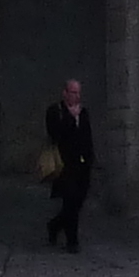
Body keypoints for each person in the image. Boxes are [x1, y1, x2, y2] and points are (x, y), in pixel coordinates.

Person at [43, 78, 95, 252]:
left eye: (79, 93)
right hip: (65, 165)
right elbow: (55, 134)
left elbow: (87, 138)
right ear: (65, 93)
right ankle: (72, 241)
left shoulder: (83, 112)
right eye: (73, 92)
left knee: (78, 202)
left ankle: (55, 225)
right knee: (70, 202)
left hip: (82, 165)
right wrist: (70, 119)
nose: (77, 96)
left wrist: (91, 160)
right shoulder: (55, 111)